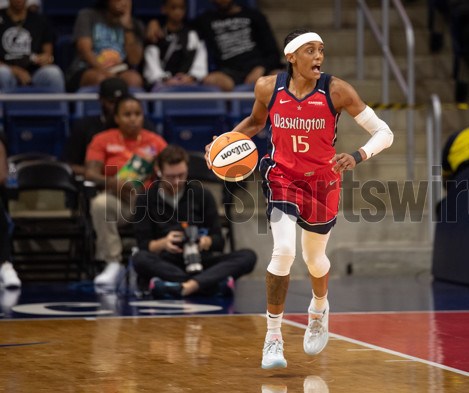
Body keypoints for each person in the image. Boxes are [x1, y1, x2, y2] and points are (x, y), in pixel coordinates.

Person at [207, 28, 393, 369]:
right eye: (310, 50)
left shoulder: (336, 90)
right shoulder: (268, 87)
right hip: (282, 177)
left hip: (322, 182)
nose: (319, 56)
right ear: (291, 56)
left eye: (321, 50)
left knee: (315, 260)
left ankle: (319, 307)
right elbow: (254, 122)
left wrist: (358, 154)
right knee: (283, 250)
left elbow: (385, 132)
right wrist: (223, 143)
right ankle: (273, 339)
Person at [132, 145, 256, 298]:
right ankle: (209, 284)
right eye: (171, 177)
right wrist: (164, 243)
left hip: (201, 260)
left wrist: (205, 242)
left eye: (181, 175)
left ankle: (183, 287)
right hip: (167, 261)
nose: (177, 181)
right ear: (159, 171)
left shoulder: (202, 195)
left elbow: (219, 240)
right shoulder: (145, 199)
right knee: (140, 259)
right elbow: (143, 244)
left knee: (248, 256)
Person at [85, 95, 166, 289]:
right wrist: (114, 183)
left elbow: (170, 171)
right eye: (127, 114)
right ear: (117, 118)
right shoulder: (102, 140)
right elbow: (89, 174)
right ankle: (113, 263)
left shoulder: (155, 142)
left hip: (148, 203)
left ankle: (154, 262)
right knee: (99, 204)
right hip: (119, 201)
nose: (133, 119)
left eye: (137, 114)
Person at [146, 0, 284, 92]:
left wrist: (260, 69)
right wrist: (154, 22)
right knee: (210, 81)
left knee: (281, 78)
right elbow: (178, 26)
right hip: (229, 72)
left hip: (258, 68)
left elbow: (273, 53)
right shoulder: (206, 20)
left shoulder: (254, 16)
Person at [62, 77, 156, 177]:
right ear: (101, 100)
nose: (117, 107)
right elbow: (69, 164)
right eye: (112, 102)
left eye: (121, 102)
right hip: (101, 186)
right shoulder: (86, 127)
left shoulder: (146, 128)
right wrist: (100, 176)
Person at [66, 0, 145, 92]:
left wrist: (127, 27)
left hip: (119, 70)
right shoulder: (88, 15)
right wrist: (106, 73)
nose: (123, 2)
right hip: (87, 68)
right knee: (101, 80)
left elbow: (134, 60)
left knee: (134, 80)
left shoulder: (134, 25)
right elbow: (84, 50)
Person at [0, 0, 65, 92]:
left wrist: (46, 59)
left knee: (54, 73)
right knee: (2, 72)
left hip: (34, 72)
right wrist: (16, 71)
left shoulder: (39, 20)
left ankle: (57, 106)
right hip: (7, 70)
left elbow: (48, 55)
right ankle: (4, 106)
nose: (19, 1)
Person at [143, 0, 208, 90]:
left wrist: (192, 76)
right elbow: (151, 63)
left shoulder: (193, 34)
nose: (177, 12)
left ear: (185, 10)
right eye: (173, 8)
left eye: (181, 8)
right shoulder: (156, 35)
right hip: (162, 84)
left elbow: (200, 59)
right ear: (164, 9)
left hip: (188, 82)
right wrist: (164, 79)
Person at [0, 130, 20, 289]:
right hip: (109, 190)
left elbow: (2, 177)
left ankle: (5, 265)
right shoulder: (103, 140)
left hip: (112, 191)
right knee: (101, 206)